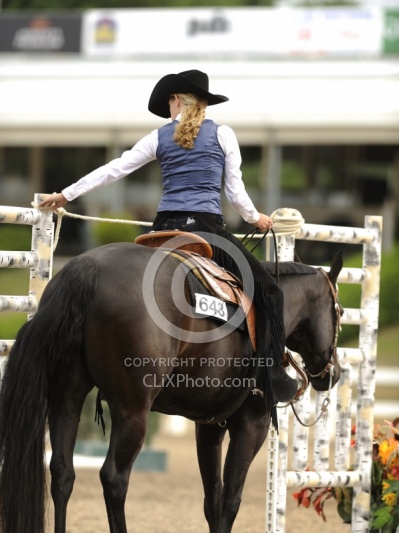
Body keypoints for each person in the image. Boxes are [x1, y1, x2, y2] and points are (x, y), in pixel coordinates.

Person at [38, 69, 297, 421]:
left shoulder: (157, 137)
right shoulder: (223, 134)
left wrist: (65, 195)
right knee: (269, 291)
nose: (168, 107)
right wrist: (257, 219)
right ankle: (271, 375)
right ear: (201, 103)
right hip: (207, 231)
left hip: (162, 232)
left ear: (178, 100)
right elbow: (236, 193)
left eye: (169, 101)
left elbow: (114, 170)